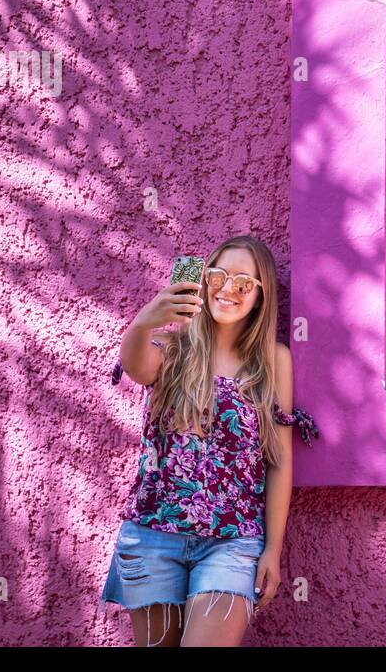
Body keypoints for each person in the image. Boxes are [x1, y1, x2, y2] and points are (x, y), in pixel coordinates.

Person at [98, 235, 295, 646]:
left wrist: (273, 549)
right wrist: (146, 320)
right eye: (218, 276)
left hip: (233, 541)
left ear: (260, 296)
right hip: (153, 535)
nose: (227, 289)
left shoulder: (274, 361)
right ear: (202, 281)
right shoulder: (171, 348)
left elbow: (279, 460)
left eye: (244, 283)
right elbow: (136, 367)